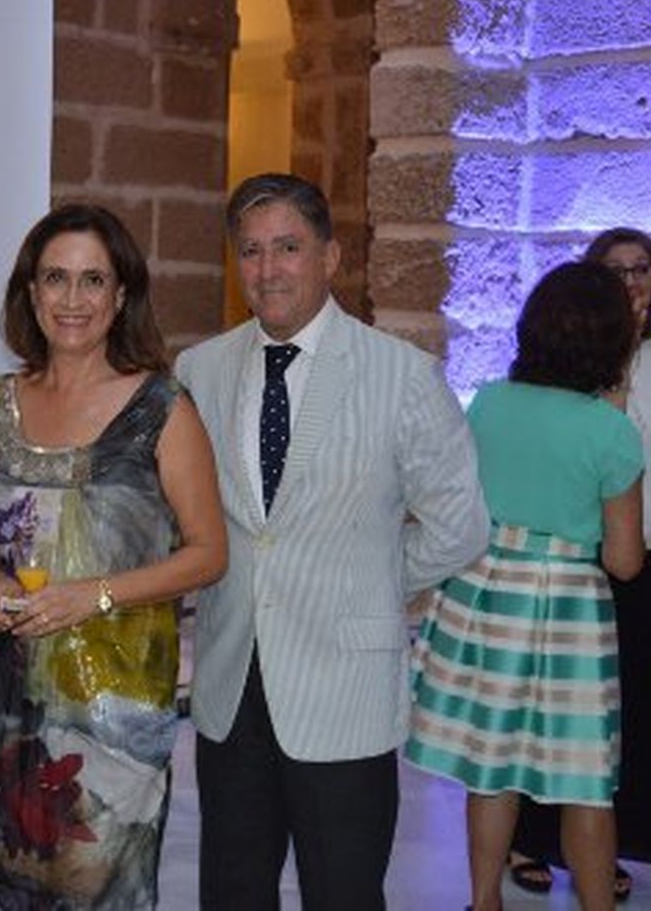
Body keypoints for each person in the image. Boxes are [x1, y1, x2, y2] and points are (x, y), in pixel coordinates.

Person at [175, 173, 487, 911]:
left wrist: (377, 577)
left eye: (288, 247)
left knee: (343, 892)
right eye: (249, 251)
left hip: (345, 687)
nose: (267, 268)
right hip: (230, 682)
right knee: (233, 891)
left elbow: (460, 524)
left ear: (331, 256)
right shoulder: (200, 370)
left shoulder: (402, 375)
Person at [0, 203, 226, 908]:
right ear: (30, 291)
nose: (72, 300)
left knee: (100, 885)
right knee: (17, 880)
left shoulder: (163, 408)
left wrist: (93, 594)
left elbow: (208, 554)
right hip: (10, 704)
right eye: (55, 278)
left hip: (114, 715)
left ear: (121, 295)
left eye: (91, 281)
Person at [406, 261, 646, 911]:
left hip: (487, 588)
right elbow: (625, 560)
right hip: (567, 604)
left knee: (491, 767)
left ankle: (484, 900)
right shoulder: (612, 432)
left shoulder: (489, 401)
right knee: (585, 780)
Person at [509, 228, 651, 900]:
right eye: (618, 270)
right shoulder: (573, 355)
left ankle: (609, 844)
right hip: (584, 551)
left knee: (639, 705)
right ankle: (531, 837)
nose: (633, 282)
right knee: (559, 704)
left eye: (644, 270)